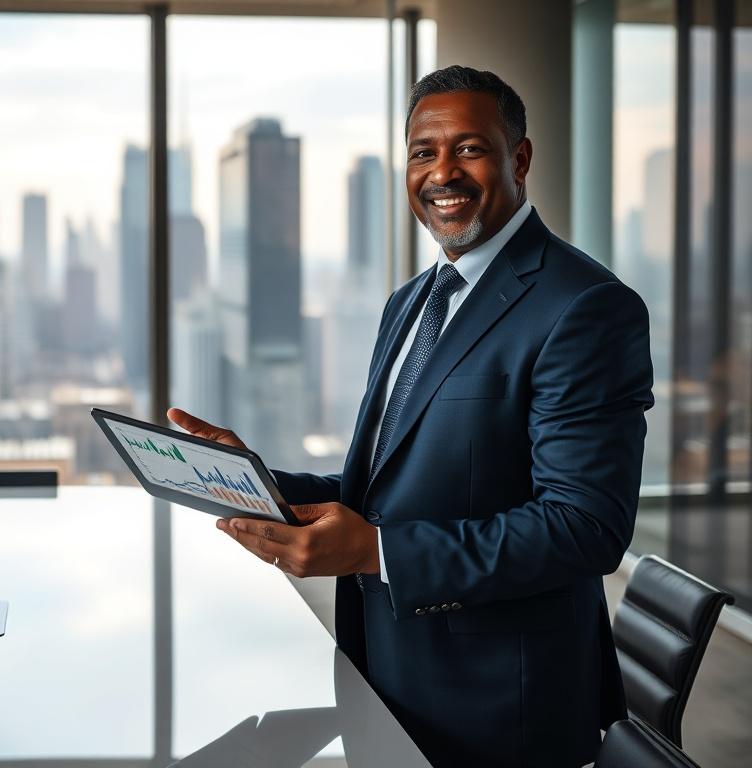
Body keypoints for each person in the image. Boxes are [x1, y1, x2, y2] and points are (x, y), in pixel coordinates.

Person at [168, 65, 654, 768]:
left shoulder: (584, 307)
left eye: (470, 148)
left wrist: (374, 551)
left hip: (501, 709)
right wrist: (254, 482)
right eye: (423, 152)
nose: (442, 173)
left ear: (519, 159)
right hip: (387, 678)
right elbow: (389, 486)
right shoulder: (414, 301)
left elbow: (584, 528)